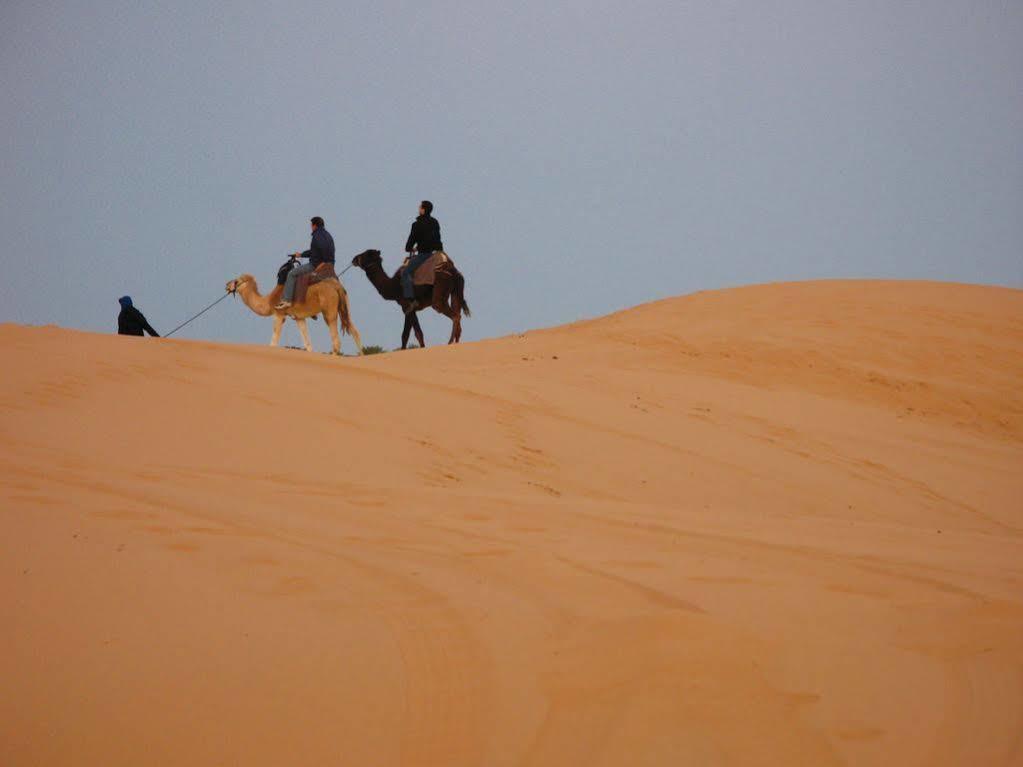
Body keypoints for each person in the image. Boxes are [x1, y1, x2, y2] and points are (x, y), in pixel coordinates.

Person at [276, 216, 335, 309]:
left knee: (292, 274)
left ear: (314, 225)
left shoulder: (316, 236)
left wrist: (323, 263)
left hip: (316, 265)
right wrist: (301, 254)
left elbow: (322, 250)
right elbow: (315, 251)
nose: (311, 227)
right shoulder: (328, 235)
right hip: (330, 265)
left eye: (311, 225)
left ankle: (286, 301)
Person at [402, 200, 443, 313]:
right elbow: (437, 239)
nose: (419, 209)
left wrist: (410, 248)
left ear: (423, 210)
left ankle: (411, 299)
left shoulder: (417, 224)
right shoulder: (435, 222)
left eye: (420, 207)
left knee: (406, 273)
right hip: (434, 254)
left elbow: (410, 243)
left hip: (423, 255)